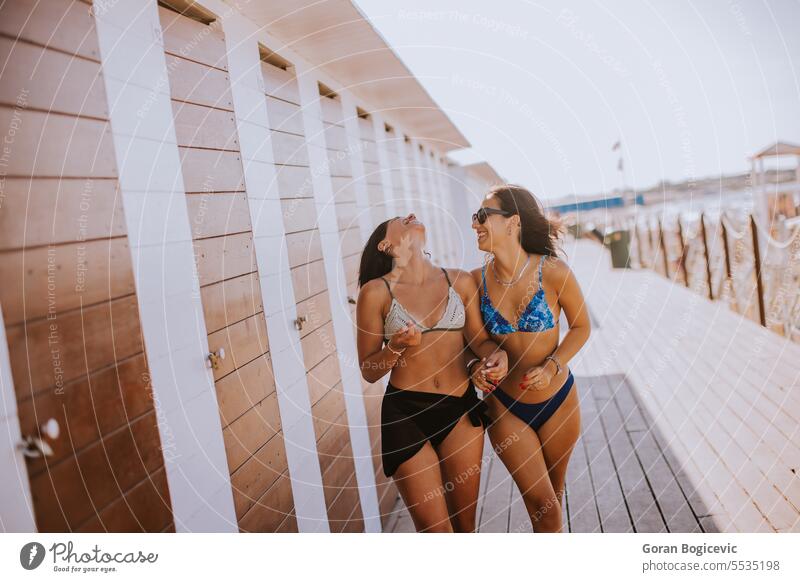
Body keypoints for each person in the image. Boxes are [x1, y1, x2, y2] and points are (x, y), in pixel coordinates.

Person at [356, 212, 508, 532]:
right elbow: (369, 370)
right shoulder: (375, 293)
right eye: (400, 219)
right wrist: (395, 347)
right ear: (386, 244)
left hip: (460, 410)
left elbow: (479, 341)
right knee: (436, 532)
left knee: (465, 527)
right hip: (406, 414)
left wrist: (497, 356)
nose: (411, 215)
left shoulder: (460, 281)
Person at [470, 184, 591, 532]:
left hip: (558, 401)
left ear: (512, 223)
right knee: (543, 504)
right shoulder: (475, 282)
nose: (474, 224)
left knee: (552, 499)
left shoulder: (553, 272)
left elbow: (581, 327)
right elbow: (476, 342)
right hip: (505, 407)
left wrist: (554, 364)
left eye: (482, 215)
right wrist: (478, 365)